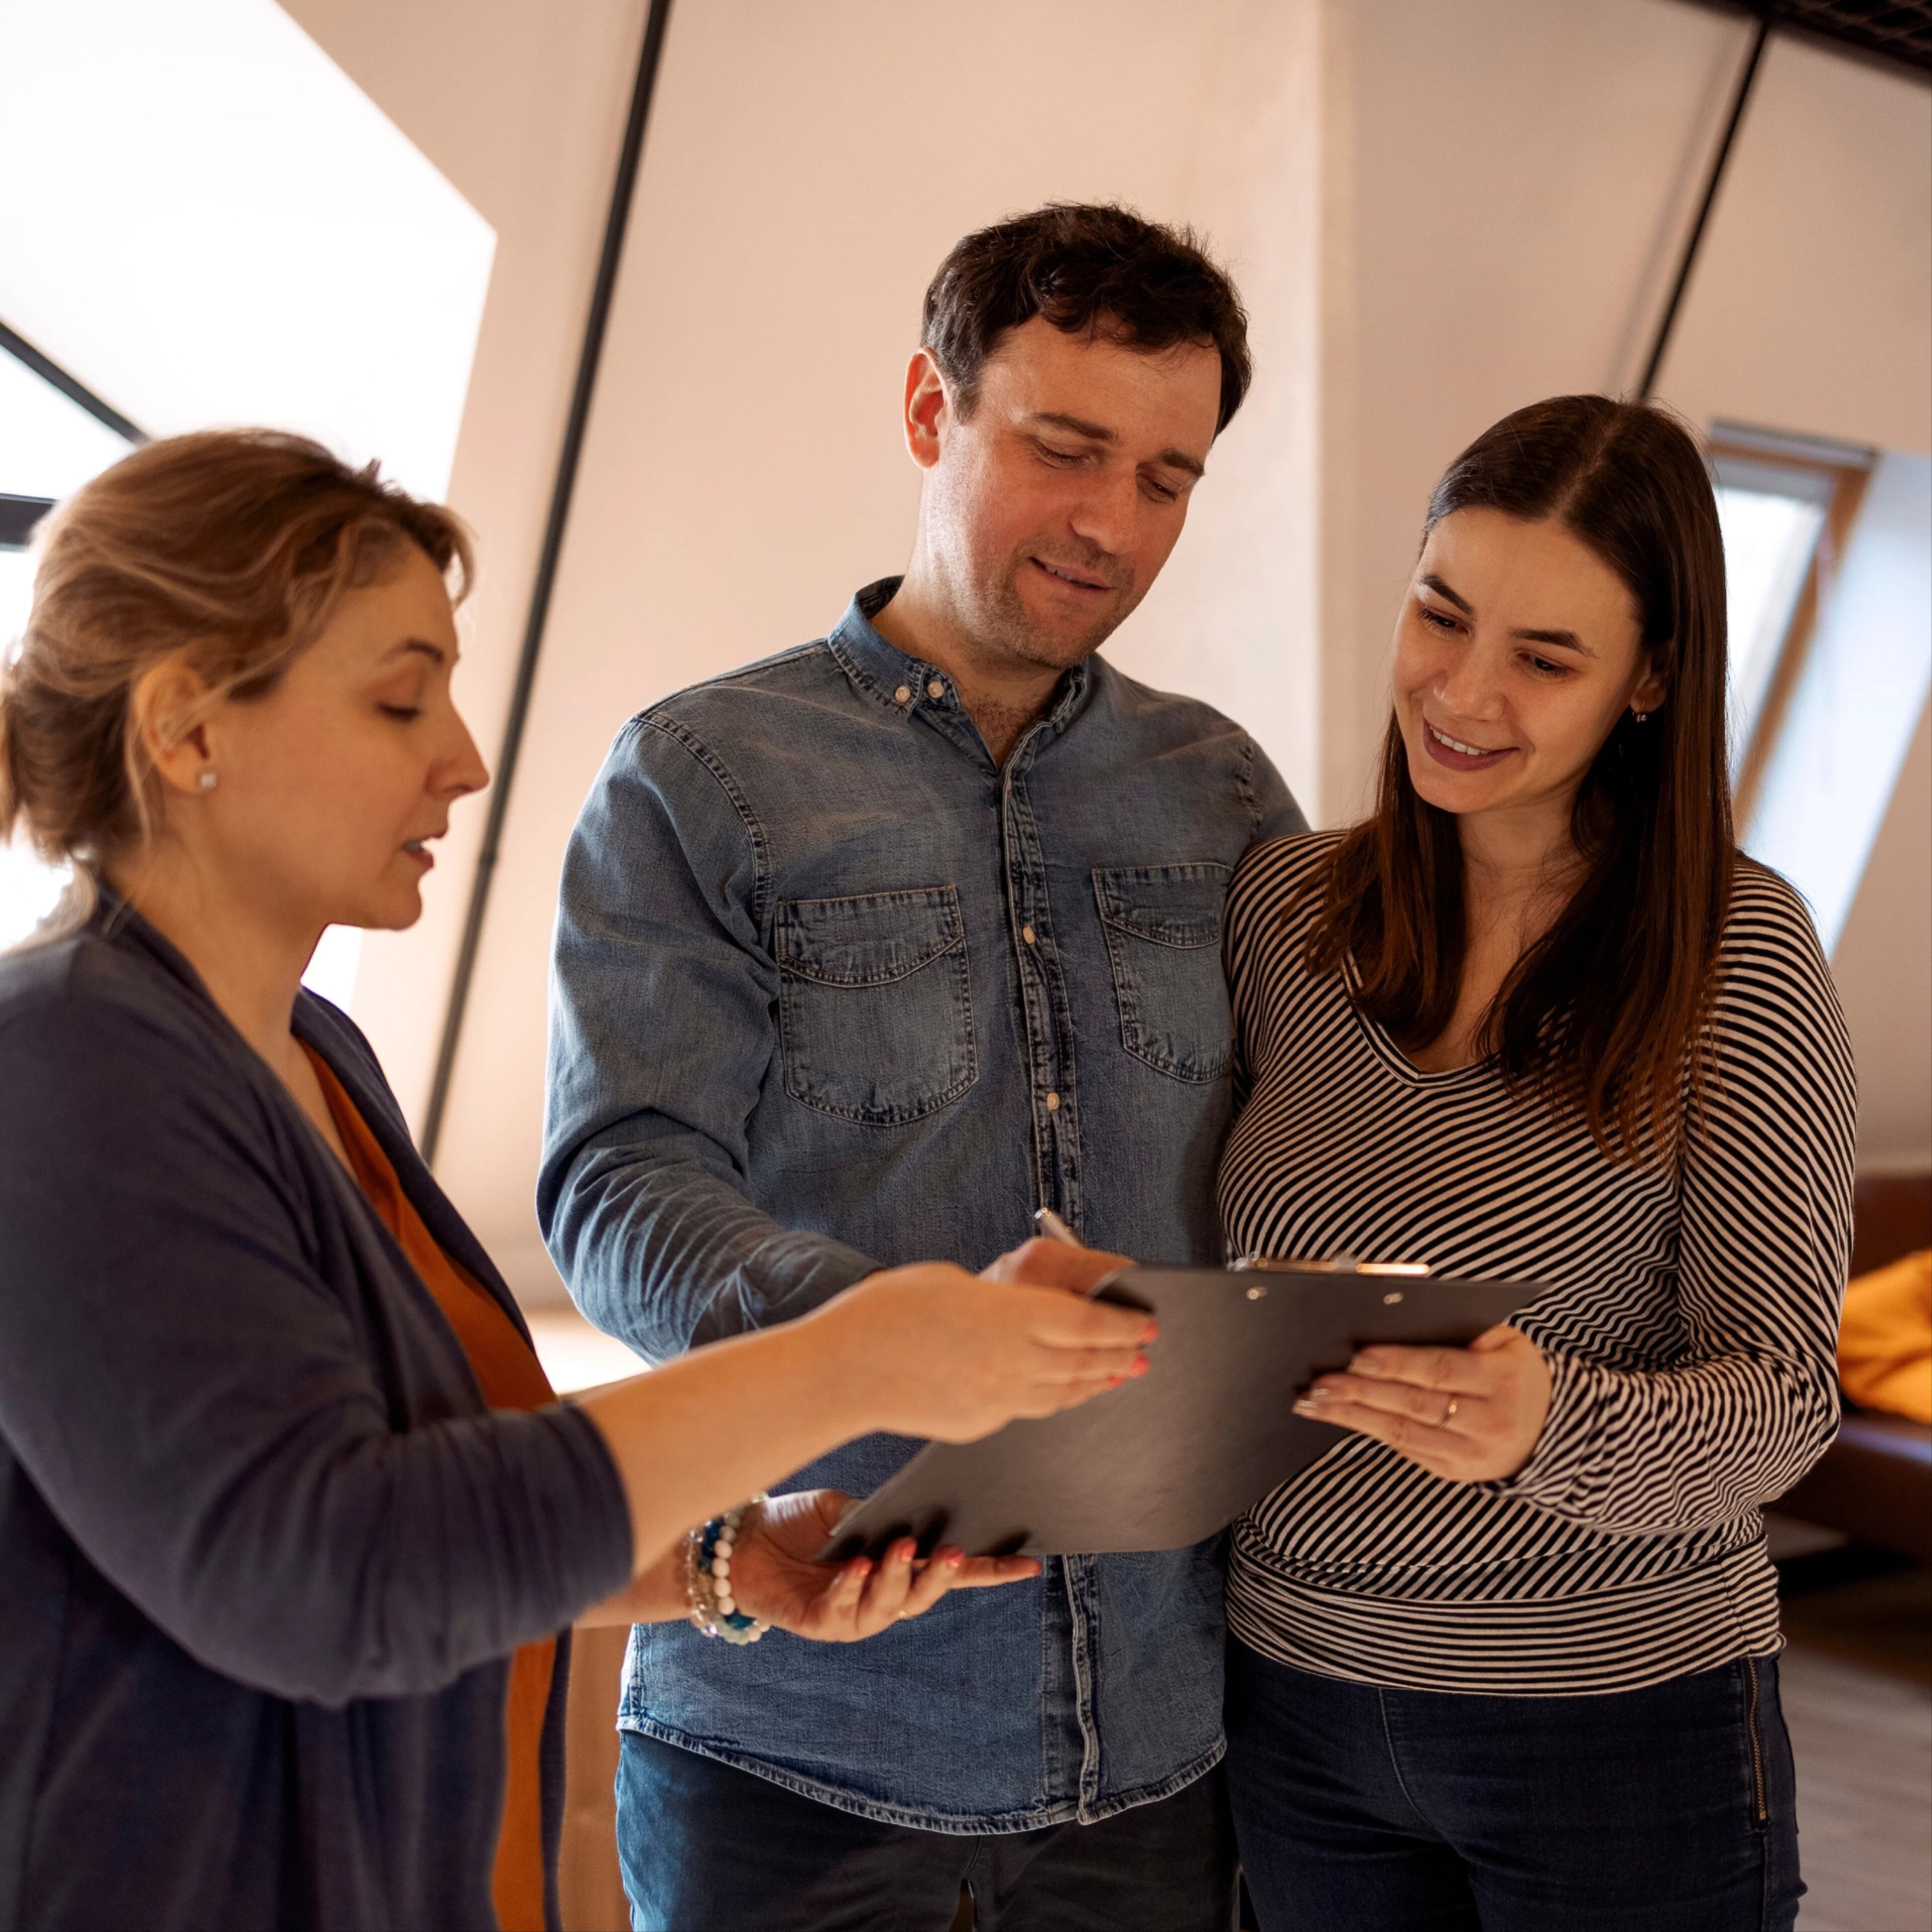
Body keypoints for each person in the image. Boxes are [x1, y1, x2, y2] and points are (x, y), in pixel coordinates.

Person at [0, 430, 1158, 1932]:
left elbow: (446, 1490)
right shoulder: (64, 1069)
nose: (463, 758)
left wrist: (726, 1564)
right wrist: (860, 1358)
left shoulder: (312, 1054)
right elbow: (338, 1568)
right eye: (399, 697)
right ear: (182, 727)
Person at [540, 202, 1306, 1930]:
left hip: (1166, 1746)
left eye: (1168, 478)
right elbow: (619, 1187)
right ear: (925, 409)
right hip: (794, 1743)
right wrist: (916, 1355)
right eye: (1064, 448)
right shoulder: (698, 774)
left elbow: (1313, 1159)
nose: (1110, 522)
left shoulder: (1231, 796)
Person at [1216, 395, 1853, 1931]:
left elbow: (1785, 1404)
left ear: (1650, 681)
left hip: (1619, 1728)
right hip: (1291, 1714)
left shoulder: (1738, 960)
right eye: (1441, 615)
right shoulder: (1283, 914)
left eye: (1546, 659)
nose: (1463, 690)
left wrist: (1546, 1424)